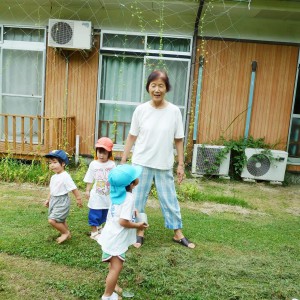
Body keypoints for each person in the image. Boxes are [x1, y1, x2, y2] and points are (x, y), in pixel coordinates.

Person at [121, 69, 195, 249]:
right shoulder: (141, 110)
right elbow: (132, 136)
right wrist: (123, 161)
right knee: (137, 199)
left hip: (163, 164)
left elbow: (178, 139)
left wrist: (180, 164)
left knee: (170, 200)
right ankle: (139, 231)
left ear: (166, 88)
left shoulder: (174, 111)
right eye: (153, 85)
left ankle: (177, 233)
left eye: (161, 86)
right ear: (148, 87)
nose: (157, 89)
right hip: (141, 163)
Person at [97, 164, 148, 300]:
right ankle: (107, 296)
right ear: (132, 184)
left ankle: (113, 286)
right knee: (116, 268)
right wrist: (139, 225)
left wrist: (133, 211)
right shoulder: (129, 198)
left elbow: (119, 212)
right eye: (135, 177)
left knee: (113, 266)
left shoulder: (116, 193)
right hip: (116, 239)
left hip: (109, 235)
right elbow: (123, 222)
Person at [44, 150, 82, 244]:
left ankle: (65, 233)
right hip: (54, 200)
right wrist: (48, 199)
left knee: (52, 220)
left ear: (63, 163)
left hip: (62, 201)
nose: (52, 165)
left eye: (55, 162)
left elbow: (73, 188)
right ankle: (67, 234)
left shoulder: (65, 176)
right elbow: (52, 190)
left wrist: (78, 199)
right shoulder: (54, 177)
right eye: (50, 163)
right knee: (61, 220)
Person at [84, 137, 116, 240]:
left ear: (109, 154)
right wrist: (87, 190)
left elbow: (115, 178)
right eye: (99, 152)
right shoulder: (93, 164)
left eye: (104, 153)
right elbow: (89, 177)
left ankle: (100, 228)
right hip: (96, 195)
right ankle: (94, 232)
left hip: (108, 195)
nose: (101, 155)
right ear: (96, 152)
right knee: (94, 212)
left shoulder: (112, 164)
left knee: (105, 213)